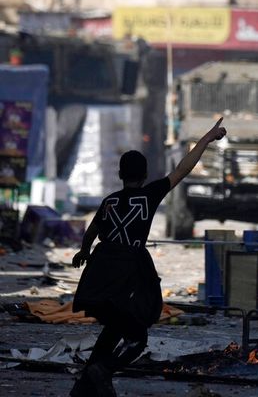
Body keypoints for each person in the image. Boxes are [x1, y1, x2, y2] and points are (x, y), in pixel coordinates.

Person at [69, 118, 227, 396]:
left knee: (112, 331)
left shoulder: (110, 201)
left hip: (99, 274)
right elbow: (183, 169)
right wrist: (208, 137)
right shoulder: (149, 195)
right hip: (127, 276)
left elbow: (92, 231)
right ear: (144, 175)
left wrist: (83, 251)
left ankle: (84, 387)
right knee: (137, 337)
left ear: (120, 174)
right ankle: (103, 371)